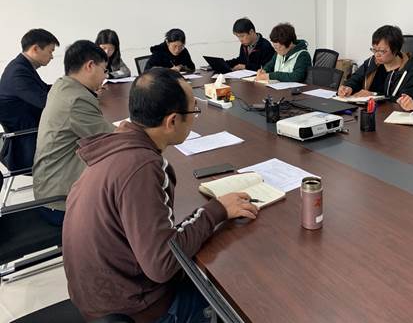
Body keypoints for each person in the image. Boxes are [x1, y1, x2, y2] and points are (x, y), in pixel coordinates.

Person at [62, 67, 258, 322]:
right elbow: (162, 264)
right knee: (238, 289)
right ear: (172, 121)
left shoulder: (118, 143)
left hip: (102, 295)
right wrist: (216, 210)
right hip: (136, 309)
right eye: (193, 111)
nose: (195, 117)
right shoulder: (143, 167)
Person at [33, 40, 115, 225]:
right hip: (60, 201)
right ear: (90, 66)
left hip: (49, 184)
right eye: (104, 70)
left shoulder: (63, 85)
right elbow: (112, 140)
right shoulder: (77, 99)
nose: (104, 76)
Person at [0, 29, 59, 171]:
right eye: (50, 51)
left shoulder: (21, 66)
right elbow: (46, 103)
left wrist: (74, 87)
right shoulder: (18, 72)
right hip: (27, 143)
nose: (52, 57)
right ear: (36, 49)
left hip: (34, 133)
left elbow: (44, 89)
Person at [338, 25, 413, 99]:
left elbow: (405, 101)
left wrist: (374, 95)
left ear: (395, 50)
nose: (377, 55)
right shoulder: (372, 62)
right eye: (374, 50)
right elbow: (356, 78)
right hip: (366, 108)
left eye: (382, 51)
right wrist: (348, 87)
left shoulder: (410, 71)